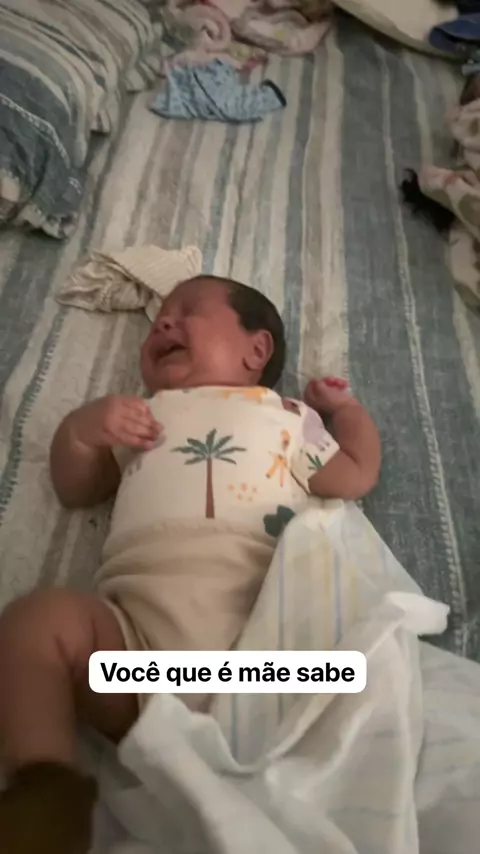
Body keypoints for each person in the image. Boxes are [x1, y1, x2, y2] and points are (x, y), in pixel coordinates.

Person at [0, 275, 381, 853]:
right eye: (160, 318)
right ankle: (46, 791)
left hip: (265, 659)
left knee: (363, 666)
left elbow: (356, 471)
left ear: (256, 349)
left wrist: (343, 409)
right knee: (37, 621)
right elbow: (76, 488)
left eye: (188, 310)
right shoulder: (140, 416)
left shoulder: (286, 416)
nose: (164, 322)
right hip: (141, 665)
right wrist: (81, 432)